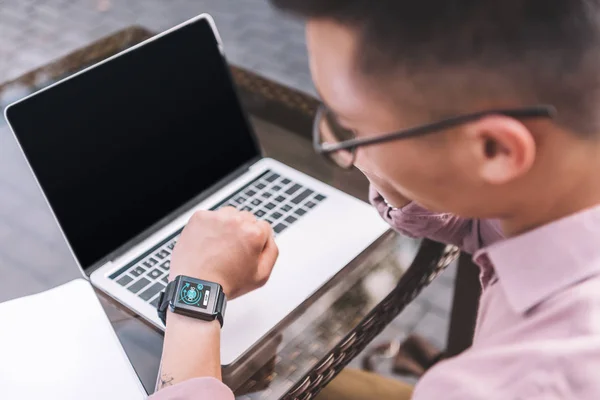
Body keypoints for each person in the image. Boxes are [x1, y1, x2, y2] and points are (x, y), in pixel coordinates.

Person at [149, 0, 600, 398]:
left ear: (495, 150)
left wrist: (196, 293)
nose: (336, 144)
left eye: (348, 127)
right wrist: (371, 145)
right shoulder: (565, 178)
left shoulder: (510, 383)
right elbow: (488, 222)